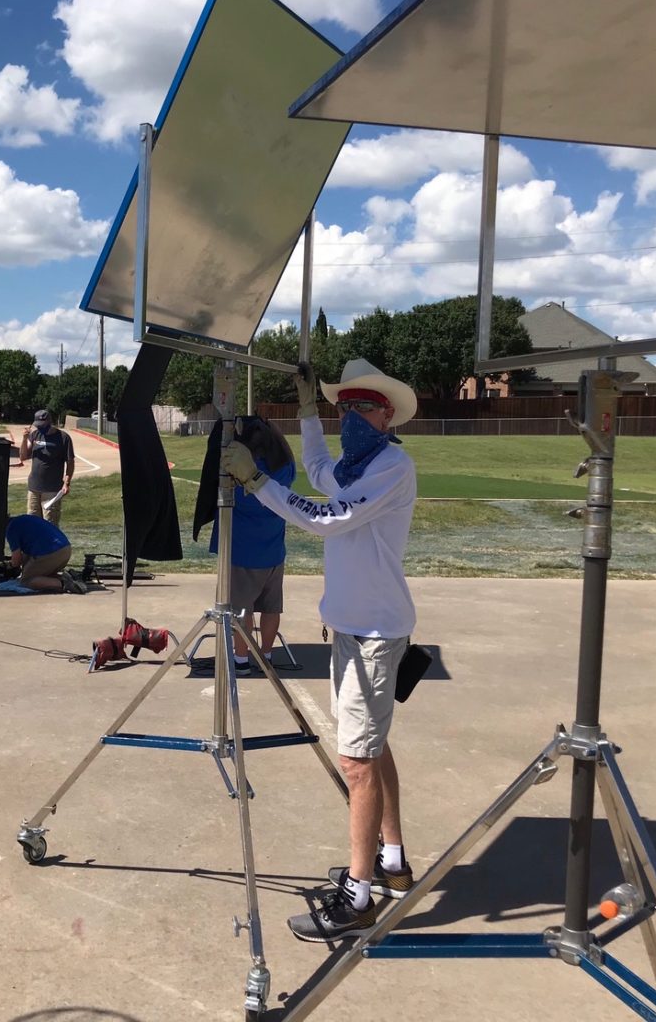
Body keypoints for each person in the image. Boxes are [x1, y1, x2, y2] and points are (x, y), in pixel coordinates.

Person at [223, 357, 418, 942]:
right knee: (372, 748)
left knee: (356, 761)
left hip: (376, 637)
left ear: (388, 415)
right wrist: (307, 412)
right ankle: (391, 861)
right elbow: (316, 469)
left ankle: (358, 898)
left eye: (365, 406)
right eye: (345, 406)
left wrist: (258, 484)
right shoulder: (358, 465)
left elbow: (329, 520)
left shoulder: (391, 467)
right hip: (357, 630)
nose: (353, 415)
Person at [207, 416, 296, 676]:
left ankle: (242, 660)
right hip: (273, 552)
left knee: (241, 610)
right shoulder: (285, 467)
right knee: (271, 608)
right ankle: (266, 656)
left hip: (243, 553)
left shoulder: (239, 471)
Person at [4, 513, 86, 594]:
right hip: (65, 549)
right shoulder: (23, 519)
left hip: (51, 553)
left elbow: (17, 560)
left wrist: (11, 565)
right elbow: (27, 555)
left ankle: (66, 583)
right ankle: (70, 577)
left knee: (26, 581)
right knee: (43, 576)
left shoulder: (11, 529)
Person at [19, 409, 75, 526]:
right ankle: (34, 544)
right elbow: (23, 456)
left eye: (42, 425)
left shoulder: (63, 438)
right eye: (38, 425)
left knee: (50, 524)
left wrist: (66, 483)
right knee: (32, 522)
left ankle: (50, 545)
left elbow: (70, 463)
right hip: (34, 487)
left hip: (52, 490)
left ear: (50, 422)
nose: (40, 428)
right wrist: (24, 439)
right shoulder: (34, 435)